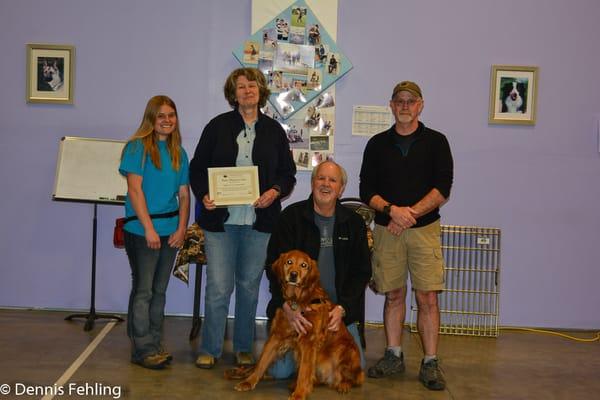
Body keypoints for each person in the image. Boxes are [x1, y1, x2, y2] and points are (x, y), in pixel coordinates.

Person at [189, 67, 296, 369]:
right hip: (219, 223)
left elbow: (287, 175)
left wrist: (275, 191)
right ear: (232, 94)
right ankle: (210, 348)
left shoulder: (274, 131)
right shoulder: (217, 126)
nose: (247, 91)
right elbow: (197, 169)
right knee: (219, 288)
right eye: (241, 87)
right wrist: (204, 195)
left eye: (253, 86)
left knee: (249, 287)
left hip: (258, 223)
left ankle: (243, 347)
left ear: (261, 91)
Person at [359, 81, 453, 390]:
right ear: (391, 105)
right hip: (388, 231)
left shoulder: (437, 142)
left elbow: (443, 188)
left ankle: (430, 362)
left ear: (420, 105)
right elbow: (365, 189)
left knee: (427, 296)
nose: (404, 106)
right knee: (394, 294)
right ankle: (393, 354)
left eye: (410, 101)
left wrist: (408, 214)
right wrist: (390, 210)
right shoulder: (376, 144)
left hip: (424, 230)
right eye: (399, 101)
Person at [265, 160, 372, 378]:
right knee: (279, 372)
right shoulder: (290, 217)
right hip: (297, 312)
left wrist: (343, 309)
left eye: (333, 180)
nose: (326, 184)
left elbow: (361, 273)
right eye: (321, 178)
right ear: (313, 183)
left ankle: (309, 359)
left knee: (352, 368)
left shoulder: (355, 224)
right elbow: (273, 267)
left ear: (341, 189)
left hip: (335, 314)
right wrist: (286, 307)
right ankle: (305, 358)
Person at [119, 95, 191, 369]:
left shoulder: (178, 153)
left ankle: (155, 343)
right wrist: (149, 228)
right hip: (142, 231)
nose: (167, 120)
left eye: (171, 115)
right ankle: (142, 349)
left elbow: (184, 196)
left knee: (159, 291)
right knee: (144, 290)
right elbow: (135, 191)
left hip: (170, 232)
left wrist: (182, 228)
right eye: (161, 115)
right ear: (151, 118)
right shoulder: (137, 148)